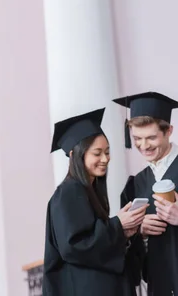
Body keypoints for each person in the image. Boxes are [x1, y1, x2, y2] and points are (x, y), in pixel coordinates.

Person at [43, 108, 148, 296]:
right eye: (97, 153)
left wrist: (124, 232)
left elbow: (95, 240)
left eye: (107, 152)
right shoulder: (69, 192)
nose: (105, 159)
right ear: (76, 154)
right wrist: (118, 224)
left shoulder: (87, 191)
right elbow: (74, 246)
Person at [114, 92, 178, 295]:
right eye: (137, 139)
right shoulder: (137, 182)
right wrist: (140, 231)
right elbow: (131, 247)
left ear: (169, 131)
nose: (144, 146)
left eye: (151, 137)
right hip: (159, 284)